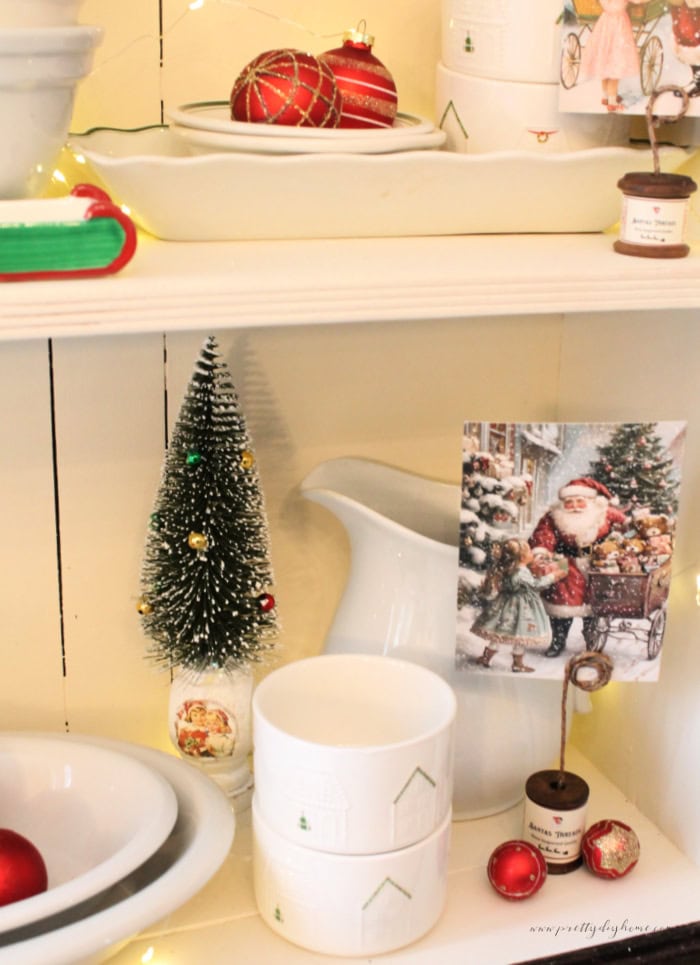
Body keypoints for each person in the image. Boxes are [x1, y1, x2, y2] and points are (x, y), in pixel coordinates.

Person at [529, 477, 627, 657]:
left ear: (590, 501)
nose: (574, 506)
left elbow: (626, 526)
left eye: (580, 501)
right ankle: (558, 640)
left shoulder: (603, 512)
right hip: (564, 563)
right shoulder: (553, 516)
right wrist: (542, 551)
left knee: (594, 604)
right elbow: (543, 535)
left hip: (597, 563)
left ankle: (592, 639)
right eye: (569, 502)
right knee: (560, 605)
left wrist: (620, 542)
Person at [471, 538, 567, 673]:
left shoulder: (509, 568)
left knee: (497, 634)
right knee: (520, 636)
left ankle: (486, 658)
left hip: (505, 605)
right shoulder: (521, 572)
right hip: (522, 608)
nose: (532, 555)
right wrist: (552, 576)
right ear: (522, 557)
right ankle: (517, 664)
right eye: (529, 552)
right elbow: (536, 585)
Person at [580, 0, 652, 111]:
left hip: (605, 23)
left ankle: (606, 96)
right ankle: (612, 103)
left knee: (605, 62)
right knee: (616, 65)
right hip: (619, 25)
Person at [670, 0, 700, 97]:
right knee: (685, 37)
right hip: (682, 6)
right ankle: (697, 80)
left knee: (693, 38)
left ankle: (697, 82)